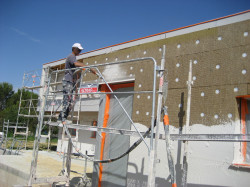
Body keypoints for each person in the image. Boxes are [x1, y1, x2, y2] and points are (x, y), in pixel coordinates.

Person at [58, 43, 96, 125]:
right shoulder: (71, 56)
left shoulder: (73, 58)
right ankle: (63, 119)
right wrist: (88, 66)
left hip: (71, 82)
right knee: (67, 100)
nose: (80, 51)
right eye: (78, 50)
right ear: (74, 49)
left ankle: (61, 117)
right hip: (67, 81)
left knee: (71, 102)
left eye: (80, 50)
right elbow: (76, 64)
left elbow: (75, 71)